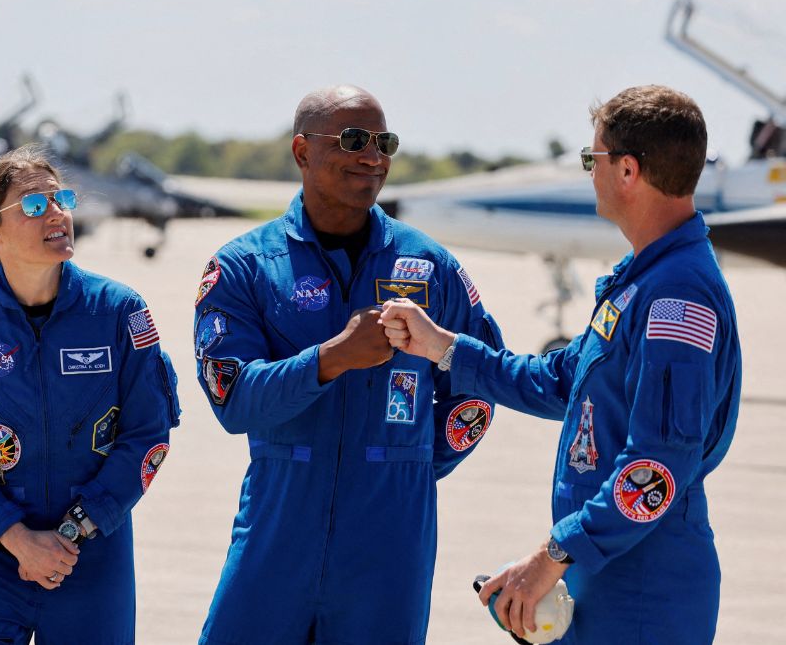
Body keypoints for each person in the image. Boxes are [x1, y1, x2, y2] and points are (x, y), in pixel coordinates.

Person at [380, 85, 740, 644]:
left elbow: (658, 466)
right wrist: (443, 347)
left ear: (627, 171)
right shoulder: (640, 282)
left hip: (644, 588)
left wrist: (551, 557)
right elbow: (557, 380)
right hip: (607, 571)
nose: (587, 173)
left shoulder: (676, 296)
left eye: (589, 159)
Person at [193, 85, 504, 644]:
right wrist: (333, 358)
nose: (373, 156)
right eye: (354, 140)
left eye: (385, 142)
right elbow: (234, 401)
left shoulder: (431, 267)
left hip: (391, 543)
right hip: (277, 531)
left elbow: (480, 386)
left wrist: (406, 465)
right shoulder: (244, 268)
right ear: (302, 152)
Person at [0, 144, 180, 644]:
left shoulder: (119, 312)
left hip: (92, 554)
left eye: (61, 199)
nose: (58, 213)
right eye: (35, 205)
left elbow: (148, 434)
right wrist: (17, 539)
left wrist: (72, 534)